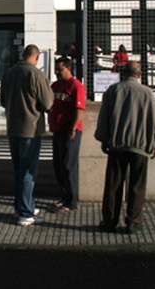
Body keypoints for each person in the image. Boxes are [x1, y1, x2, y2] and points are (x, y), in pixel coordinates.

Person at [95, 61, 155, 234]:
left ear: (122, 73)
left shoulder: (112, 91)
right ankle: (133, 221)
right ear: (139, 74)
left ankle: (110, 221)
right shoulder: (147, 93)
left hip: (117, 145)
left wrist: (104, 140)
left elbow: (104, 119)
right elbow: (154, 121)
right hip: (140, 146)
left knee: (113, 185)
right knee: (137, 185)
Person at [0, 44, 54, 226]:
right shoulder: (36, 75)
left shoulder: (9, 73)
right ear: (36, 57)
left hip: (13, 127)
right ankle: (26, 212)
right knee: (29, 171)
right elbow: (47, 103)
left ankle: (22, 205)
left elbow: (2, 101)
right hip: (30, 128)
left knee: (18, 170)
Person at [47, 56, 86, 213]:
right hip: (57, 130)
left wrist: (73, 128)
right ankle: (64, 196)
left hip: (70, 130)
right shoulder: (56, 86)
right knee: (58, 164)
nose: (57, 73)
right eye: (56, 70)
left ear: (68, 68)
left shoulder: (76, 86)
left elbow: (79, 109)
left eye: (60, 69)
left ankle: (71, 201)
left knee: (68, 165)